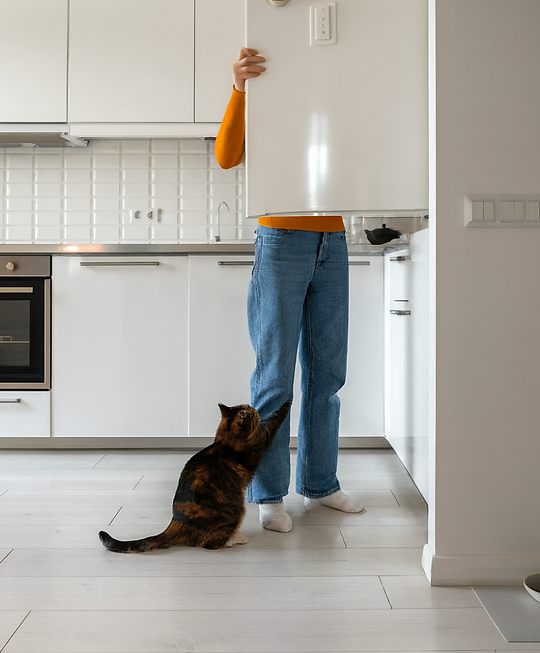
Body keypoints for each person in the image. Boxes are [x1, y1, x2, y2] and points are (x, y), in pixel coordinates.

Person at [215, 48, 363, 533]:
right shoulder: (268, 92)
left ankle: (320, 484)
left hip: (333, 238)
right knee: (274, 377)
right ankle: (269, 494)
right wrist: (239, 88)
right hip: (279, 239)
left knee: (327, 376)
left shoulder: (336, 102)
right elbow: (225, 156)